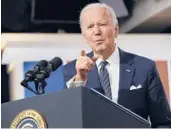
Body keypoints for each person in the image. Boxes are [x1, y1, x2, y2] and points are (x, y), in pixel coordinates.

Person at [63, 3, 171, 127]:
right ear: (84, 36)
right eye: (90, 27)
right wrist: (80, 80)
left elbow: (164, 122)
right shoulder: (72, 71)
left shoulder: (144, 67)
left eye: (102, 24)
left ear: (116, 30)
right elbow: (68, 120)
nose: (97, 32)